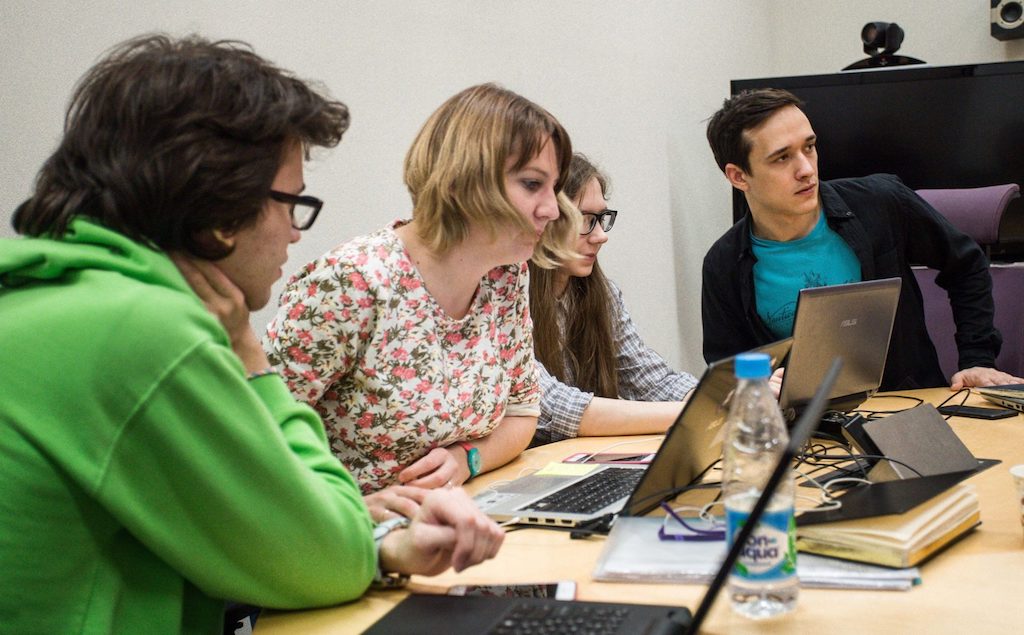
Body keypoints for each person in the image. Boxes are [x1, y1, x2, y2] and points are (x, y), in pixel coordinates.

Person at [0, 35, 504, 634]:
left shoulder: (45, 295)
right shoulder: (144, 332)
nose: (295, 233)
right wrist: (251, 358)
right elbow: (322, 562)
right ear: (221, 210)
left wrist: (374, 538)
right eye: (291, 203)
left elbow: (241, 532)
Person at [265, 83, 578, 519]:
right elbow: (255, 440)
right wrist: (350, 511)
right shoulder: (351, 282)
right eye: (531, 184)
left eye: (553, 188)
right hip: (348, 536)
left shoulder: (505, 276)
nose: (552, 210)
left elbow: (523, 414)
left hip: (454, 520)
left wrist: (466, 459)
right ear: (464, 179)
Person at [701, 87, 1022, 391]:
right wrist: (761, 387)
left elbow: (966, 265)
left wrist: (978, 359)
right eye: (782, 158)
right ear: (738, 176)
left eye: (809, 147)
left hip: (911, 407)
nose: (806, 169)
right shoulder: (723, 264)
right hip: (806, 423)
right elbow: (729, 373)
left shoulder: (881, 202)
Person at [528, 153, 699, 445]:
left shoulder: (603, 295)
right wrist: (692, 413)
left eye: (601, 219)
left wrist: (723, 398)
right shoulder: (507, 302)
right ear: (544, 220)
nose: (600, 236)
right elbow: (552, 404)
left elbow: (651, 381)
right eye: (585, 220)